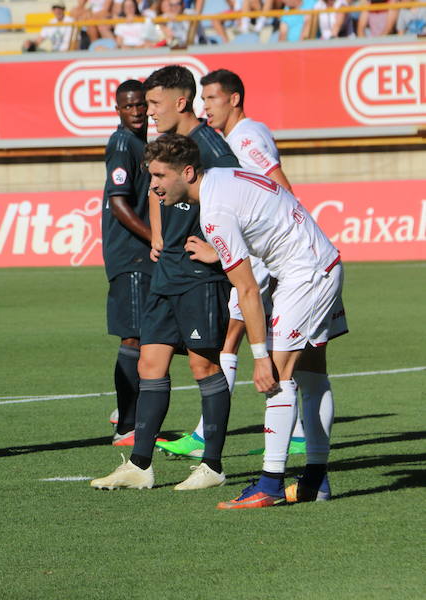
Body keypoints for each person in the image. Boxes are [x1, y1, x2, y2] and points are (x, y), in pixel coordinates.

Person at [143, 133, 347, 509]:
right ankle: (316, 482)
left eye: (159, 175)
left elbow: (248, 290)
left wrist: (259, 355)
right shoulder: (222, 178)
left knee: (276, 379)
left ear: (187, 172)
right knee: (313, 376)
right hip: (319, 261)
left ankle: (269, 484)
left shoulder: (214, 212)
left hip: (305, 272)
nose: (153, 185)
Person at [90, 65, 238, 492]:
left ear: (179, 102)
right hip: (165, 270)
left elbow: (241, 196)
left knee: (202, 363)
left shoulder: (211, 145)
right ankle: (140, 466)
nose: (148, 111)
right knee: (151, 362)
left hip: (199, 275)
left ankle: (212, 465)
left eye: (154, 103)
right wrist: (156, 233)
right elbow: (157, 190)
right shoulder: (164, 145)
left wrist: (217, 248)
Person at [158, 68, 304, 459]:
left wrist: (273, 239)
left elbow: (280, 185)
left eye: (212, 99)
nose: (205, 108)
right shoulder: (232, 136)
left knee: (236, 337)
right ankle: (296, 430)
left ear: (234, 99)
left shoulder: (246, 137)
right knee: (254, 339)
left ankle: (209, 435)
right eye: (202, 99)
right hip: (259, 246)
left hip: (262, 250)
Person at [98, 80, 156, 449]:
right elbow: (120, 203)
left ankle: (128, 414)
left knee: (147, 334)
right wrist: (156, 238)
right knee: (134, 335)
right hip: (131, 253)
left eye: (140, 105)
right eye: (128, 106)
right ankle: (126, 424)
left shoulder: (142, 145)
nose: (135, 112)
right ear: (118, 109)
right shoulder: (122, 144)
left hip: (141, 253)